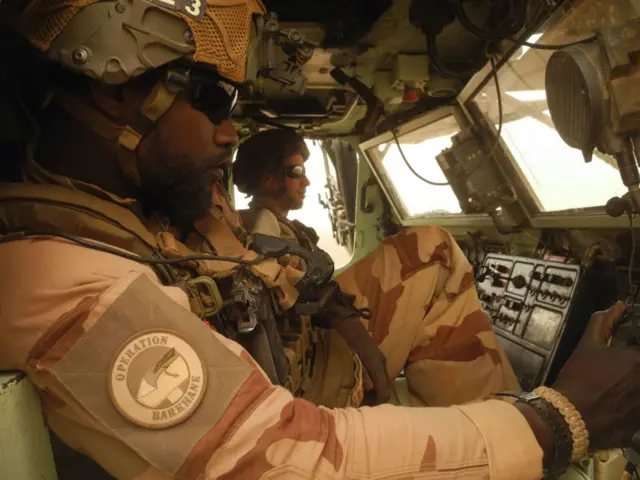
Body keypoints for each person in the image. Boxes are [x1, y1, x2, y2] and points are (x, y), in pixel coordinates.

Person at [0, 2, 639, 479]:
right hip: (299, 402)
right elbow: (291, 461)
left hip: (299, 359)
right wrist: (558, 420)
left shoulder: (133, 215)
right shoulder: (67, 284)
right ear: (119, 93)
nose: (230, 135)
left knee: (432, 248)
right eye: (215, 103)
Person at [234, 128, 520, 407]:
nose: (306, 182)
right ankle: (493, 415)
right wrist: (363, 344)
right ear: (268, 181)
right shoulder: (265, 231)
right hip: (315, 356)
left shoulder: (273, 226)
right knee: (435, 248)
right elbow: (301, 298)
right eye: (296, 172)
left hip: (316, 335)